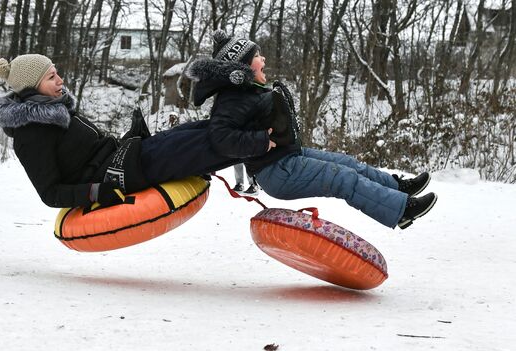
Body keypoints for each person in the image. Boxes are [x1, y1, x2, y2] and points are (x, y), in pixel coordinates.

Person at [186, 30, 438, 229]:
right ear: (242, 65)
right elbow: (220, 138)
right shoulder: (232, 99)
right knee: (343, 178)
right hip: (276, 172)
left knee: (347, 163)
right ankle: (402, 210)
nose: (263, 60)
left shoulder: (248, 90)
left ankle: (396, 188)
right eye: (257, 56)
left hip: (288, 157)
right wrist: (261, 141)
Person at [0, 54, 242, 209]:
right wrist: (96, 192)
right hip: (118, 175)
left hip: (124, 157)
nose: (60, 81)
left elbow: (92, 150)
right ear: (32, 88)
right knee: (200, 144)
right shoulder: (30, 134)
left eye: (57, 73)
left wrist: (130, 137)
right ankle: (267, 142)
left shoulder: (57, 110)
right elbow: (50, 193)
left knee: (193, 128)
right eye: (51, 77)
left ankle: (254, 118)